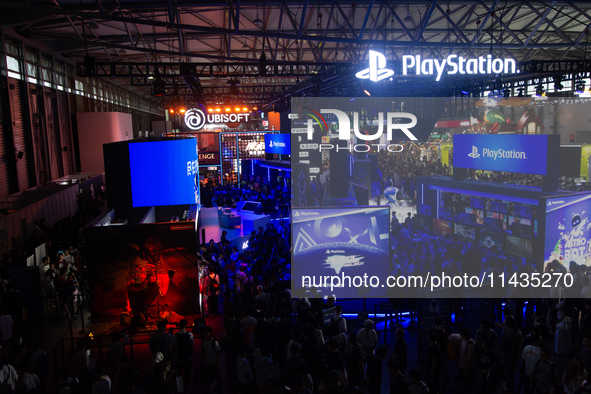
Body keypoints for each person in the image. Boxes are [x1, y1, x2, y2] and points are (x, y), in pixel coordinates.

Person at [171, 319, 194, 390]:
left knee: (178, 374)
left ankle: (180, 388)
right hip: (187, 358)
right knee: (187, 374)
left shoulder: (175, 336)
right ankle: (187, 389)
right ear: (186, 325)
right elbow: (192, 345)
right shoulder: (190, 334)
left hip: (178, 358)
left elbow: (173, 347)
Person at [201, 326, 222, 392]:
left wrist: (216, 359)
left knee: (215, 374)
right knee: (210, 375)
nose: (204, 335)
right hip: (207, 362)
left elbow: (219, 351)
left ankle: (216, 385)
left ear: (209, 333)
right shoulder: (205, 341)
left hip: (212, 361)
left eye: (206, 333)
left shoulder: (214, 342)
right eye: (204, 334)